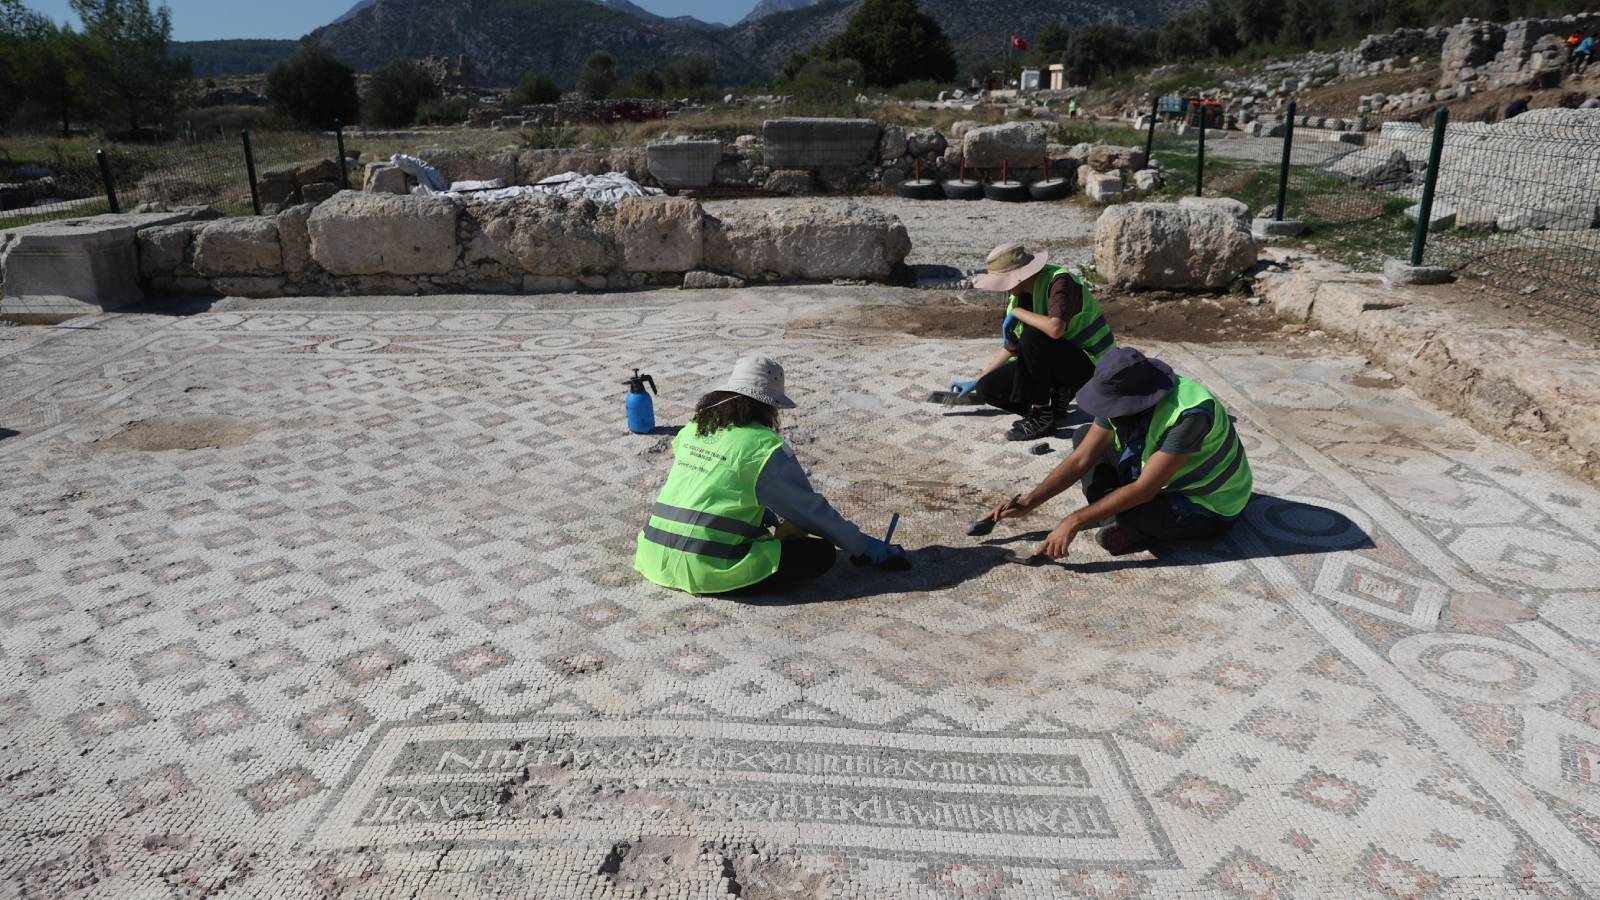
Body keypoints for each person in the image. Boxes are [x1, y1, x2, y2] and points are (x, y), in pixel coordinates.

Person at [636, 352, 906, 595]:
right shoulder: (764, 447)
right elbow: (811, 513)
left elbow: (708, 481)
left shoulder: (693, 430)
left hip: (652, 555)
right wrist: (866, 548)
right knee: (820, 554)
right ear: (767, 406)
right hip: (707, 568)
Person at [982, 348, 1253, 559]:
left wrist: (1075, 519)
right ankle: (1113, 511)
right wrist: (1029, 502)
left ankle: (1126, 522)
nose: (1106, 410)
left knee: (1136, 515)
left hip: (1208, 504)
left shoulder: (1189, 415)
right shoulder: (1126, 395)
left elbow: (1145, 489)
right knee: (1082, 437)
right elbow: (1081, 459)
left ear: (1136, 402)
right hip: (1160, 481)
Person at [950, 242, 1117, 441]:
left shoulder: (1060, 282)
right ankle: (1053, 404)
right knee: (989, 388)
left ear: (1019, 275)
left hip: (1092, 369)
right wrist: (979, 379)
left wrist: (1018, 313)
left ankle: (1041, 416)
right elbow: (1012, 347)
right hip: (1057, 368)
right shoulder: (1018, 296)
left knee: (1032, 335)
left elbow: (1055, 329)